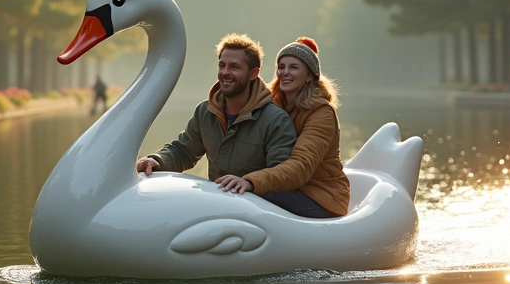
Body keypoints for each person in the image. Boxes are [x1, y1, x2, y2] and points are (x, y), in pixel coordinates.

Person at [214, 37, 351, 219]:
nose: (285, 72)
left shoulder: (322, 113)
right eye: (281, 67)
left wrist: (251, 181)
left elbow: (301, 166)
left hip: (322, 197)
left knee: (257, 195)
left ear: (310, 75)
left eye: (294, 67)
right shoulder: (272, 106)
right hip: (288, 188)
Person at [136, 34, 297, 185]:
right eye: (222, 66)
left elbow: (281, 175)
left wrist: (250, 182)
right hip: (218, 209)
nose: (225, 72)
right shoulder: (205, 111)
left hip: (254, 211)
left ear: (253, 73)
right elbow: (183, 152)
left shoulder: (276, 119)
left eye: (234, 67)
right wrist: (157, 160)